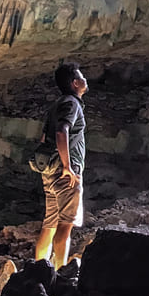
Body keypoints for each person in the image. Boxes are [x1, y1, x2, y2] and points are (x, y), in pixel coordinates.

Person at [34, 61, 88, 268]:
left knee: (49, 225)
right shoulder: (71, 104)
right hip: (64, 171)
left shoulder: (57, 104)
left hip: (49, 169)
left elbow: (43, 137)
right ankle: (59, 272)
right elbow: (60, 132)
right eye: (82, 77)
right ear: (75, 83)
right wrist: (67, 166)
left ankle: (39, 271)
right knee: (65, 226)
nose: (85, 80)